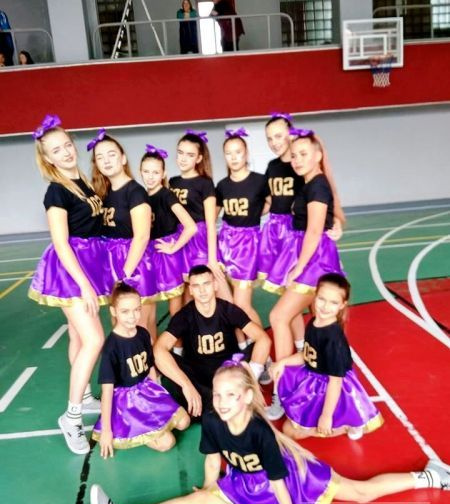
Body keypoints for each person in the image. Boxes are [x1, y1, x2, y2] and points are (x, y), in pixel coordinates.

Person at [90, 354, 450, 504]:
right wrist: (211, 488)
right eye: (218, 394)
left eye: (231, 395)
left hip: (287, 482)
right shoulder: (213, 419)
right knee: (191, 502)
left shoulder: (260, 433)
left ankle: (430, 476)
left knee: (358, 493)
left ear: (248, 398)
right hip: (244, 482)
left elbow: (278, 486)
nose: (222, 401)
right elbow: (213, 459)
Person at [28, 115, 107, 455]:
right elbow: (61, 243)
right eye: (56, 150)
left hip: (88, 264)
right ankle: (71, 417)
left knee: (77, 335)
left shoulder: (82, 182)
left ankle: (85, 396)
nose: (65, 152)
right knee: (94, 339)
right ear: (48, 158)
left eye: (67, 145)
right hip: (69, 272)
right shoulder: (56, 191)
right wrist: (85, 285)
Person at [267, 129, 345, 419]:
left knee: (278, 317)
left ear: (318, 155)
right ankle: (306, 379)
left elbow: (314, 231)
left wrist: (297, 268)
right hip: (310, 255)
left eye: (304, 154)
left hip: (315, 262)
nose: (298, 160)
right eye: (295, 155)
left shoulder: (317, 186)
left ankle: (282, 390)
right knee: (305, 323)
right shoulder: (309, 183)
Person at [271, 273, 384, 438]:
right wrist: (282, 363)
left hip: (331, 388)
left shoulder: (333, 340)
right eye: (322, 299)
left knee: (289, 430)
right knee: (284, 373)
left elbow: (335, 381)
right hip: (313, 381)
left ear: (342, 305)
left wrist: (326, 416)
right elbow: (308, 355)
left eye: (333, 302)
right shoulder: (314, 322)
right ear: (315, 296)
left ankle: (349, 425)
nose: (325, 307)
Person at [154, 265, 271, 418]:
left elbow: (263, 338)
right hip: (199, 379)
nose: (202, 290)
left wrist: (252, 377)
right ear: (191, 290)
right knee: (164, 356)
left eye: (206, 284)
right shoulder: (185, 315)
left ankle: (239, 392)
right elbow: (159, 349)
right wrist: (186, 385)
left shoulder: (228, 310)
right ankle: (224, 402)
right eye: (196, 286)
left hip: (229, 372)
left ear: (215, 285)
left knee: (256, 345)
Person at [91, 282, 190, 457]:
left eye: (137, 310)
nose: (132, 316)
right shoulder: (111, 348)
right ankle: (134, 432)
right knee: (167, 443)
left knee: (184, 422)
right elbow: (107, 391)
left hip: (147, 390)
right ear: (114, 311)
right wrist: (106, 430)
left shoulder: (143, 333)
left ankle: (153, 428)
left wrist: (158, 395)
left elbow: (150, 366)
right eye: (125, 311)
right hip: (127, 402)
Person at [90, 129, 155, 333]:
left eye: (111, 154)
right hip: (112, 262)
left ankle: (151, 357)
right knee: (120, 327)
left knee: (141, 327)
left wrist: (124, 275)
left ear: (123, 158)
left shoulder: (135, 192)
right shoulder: (103, 192)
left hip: (134, 265)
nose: (106, 161)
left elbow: (142, 237)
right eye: (100, 157)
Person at [140, 144, 197, 338]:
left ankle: (180, 348)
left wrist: (173, 248)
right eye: (146, 171)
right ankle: (154, 348)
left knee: (175, 310)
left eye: (155, 172)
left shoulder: (167, 195)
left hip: (167, 256)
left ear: (163, 173)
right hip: (148, 253)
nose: (150, 176)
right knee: (149, 309)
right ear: (140, 172)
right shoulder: (141, 196)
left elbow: (191, 226)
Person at [216, 128, 270, 327]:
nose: (233, 157)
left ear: (246, 153)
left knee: (242, 304)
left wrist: (255, 213)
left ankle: (261, 340)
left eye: (238, 152)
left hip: (247, 245)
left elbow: (272, 204)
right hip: (226, 242)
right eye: (228, 153)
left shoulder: (259, 181)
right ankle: (242, 341)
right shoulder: (222, 185)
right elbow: (211, 215)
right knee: (228, 302)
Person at [170, 130, 228, 300]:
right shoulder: (172, 182)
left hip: (200, 240)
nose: (183, 158)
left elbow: (210, 223)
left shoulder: (205, 183)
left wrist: (212, 259)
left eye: (190, 155)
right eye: (180, 153)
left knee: (222, 295)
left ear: (199, 158)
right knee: (190, 297)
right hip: (181, 239)